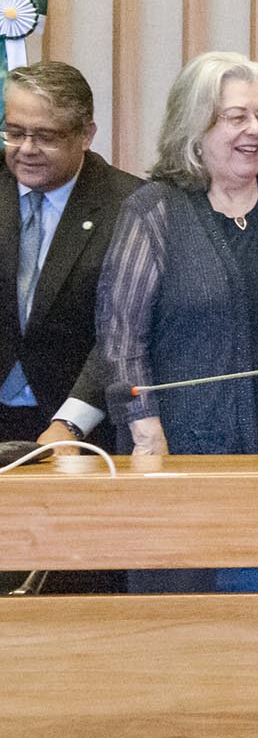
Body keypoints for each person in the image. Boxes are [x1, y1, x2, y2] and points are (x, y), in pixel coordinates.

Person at [97, 51, 258, 594]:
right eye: (236, 117)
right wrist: (144, 430)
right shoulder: (154, 210)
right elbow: (120, 335)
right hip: (180, 453)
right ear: (194, 128)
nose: (255, 130)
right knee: (182, 615)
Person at [0, 61, 141, 448]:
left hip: (81, 427)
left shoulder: (129, 206)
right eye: (15, 132)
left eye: (45, 136)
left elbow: (123, 331)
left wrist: (71, 423)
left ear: (85, 135)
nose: (26, 149)